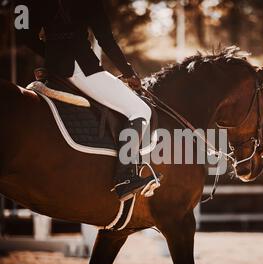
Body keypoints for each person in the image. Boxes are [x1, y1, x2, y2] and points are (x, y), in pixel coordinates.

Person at [16, 0, 157, 201]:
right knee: (141, 110)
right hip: (81, 67)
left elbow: (22, 33)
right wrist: (128, 73)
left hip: (53, 68)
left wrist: (51, 54)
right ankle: (124, 179)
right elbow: (105, 38)